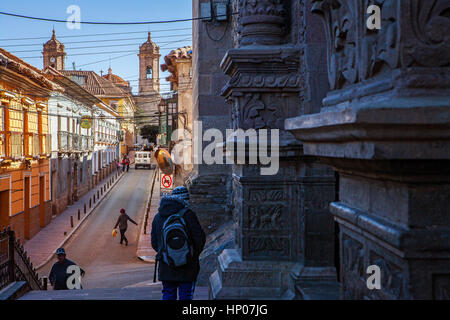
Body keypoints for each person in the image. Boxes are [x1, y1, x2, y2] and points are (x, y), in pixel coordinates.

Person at [151, 194, 206, 300]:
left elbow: (154, 243)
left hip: (167, 265)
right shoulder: (188, 215)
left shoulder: (158, 217)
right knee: (186, 295)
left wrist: (166, 254)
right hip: (187, 266)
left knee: (168, 293)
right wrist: (190, 256)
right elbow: (200, 239)